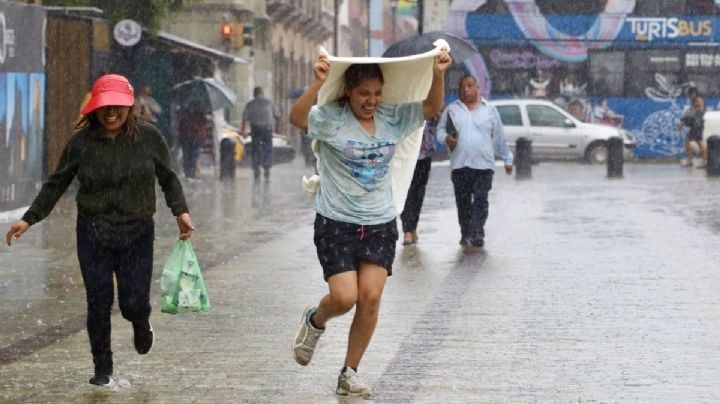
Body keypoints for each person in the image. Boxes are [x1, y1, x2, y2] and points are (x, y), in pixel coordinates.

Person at [4, 74, 195, 387]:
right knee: (98, 301)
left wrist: (181, 212)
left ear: (129, 107)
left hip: (137, 232)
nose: (111, 113)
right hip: (93, 232)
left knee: (133, 301)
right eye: (105, 107)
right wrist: (30, 218)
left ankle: (140, 322)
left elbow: (169, 178)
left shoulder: (149, 137)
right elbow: (57, 182)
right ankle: (102, 366)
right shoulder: (81, 143)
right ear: (94, 109)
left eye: (118, 106)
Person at [288, 48, 451, 396]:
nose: (371, 100)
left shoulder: (392, 117)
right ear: (349, 90)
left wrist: (438, 73)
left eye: (377, 93)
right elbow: (297, 119)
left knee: (371, 298)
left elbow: (431, 107)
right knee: (345, 297)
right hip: (336, 222)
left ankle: (349, 372)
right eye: (364, 93)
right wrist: (317, 83)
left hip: (379, 222)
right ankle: (315, 320)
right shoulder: (331, 118)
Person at [437, 74, 513, 248]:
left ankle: (477, 232)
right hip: (460, 165)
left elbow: (500, 137)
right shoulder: (451, 109)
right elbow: (440, 131)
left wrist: (507, 158)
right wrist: (447, 138)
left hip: (484, 165)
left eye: (470, 85)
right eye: (462, 86)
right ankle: (466, 234)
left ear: (478, 88)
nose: (466, 89)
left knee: (480, 199)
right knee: (462, 202)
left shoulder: (490, 110)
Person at [400, 112, 440, 245]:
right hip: (406, 155)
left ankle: (412, 227)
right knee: (406, 192)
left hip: (425, 155)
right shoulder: (405, 107)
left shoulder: (429, 107)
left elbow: (437, 124)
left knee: (418, 193)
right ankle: (407, 230)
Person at [241, 86, 280, 181]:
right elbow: (278, 116)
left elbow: (245, 118)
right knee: (268, 148)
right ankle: (267, 167)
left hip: (256, 129)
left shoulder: (250, 104)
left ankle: (256, 168)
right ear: (262, 93)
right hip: (267, 128)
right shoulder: (269, 103)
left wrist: (243, 131)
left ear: (254, 94)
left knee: (256, 148)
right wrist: (277, 129)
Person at [678, 86, 707, 168]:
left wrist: (693, 109)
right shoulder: (695, 100)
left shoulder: (698, 100)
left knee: (693, 141)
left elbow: (701, 110)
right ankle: (702, 161)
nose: (690, 97)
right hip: (697, 124)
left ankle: (698, 161)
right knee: (697, 141)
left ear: (694, 93)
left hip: (697, 124)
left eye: (690, 95)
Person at [177, 109, 208, 179]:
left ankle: (188, 174)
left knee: (187, 155)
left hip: (188, 136)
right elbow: (204, 122)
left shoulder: (184, 110)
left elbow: (180, 123)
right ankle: (191, 174)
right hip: (195, 136)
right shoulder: (200, 109)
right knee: (192, 155)